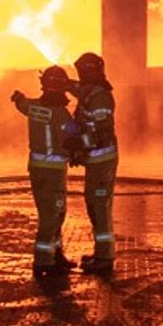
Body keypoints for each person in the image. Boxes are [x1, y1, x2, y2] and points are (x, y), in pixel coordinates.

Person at [13, 67, 79, 277]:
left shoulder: (33, 107)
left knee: (54, 213)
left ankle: (56, 254)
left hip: (37, 170)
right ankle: (43, 261)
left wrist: (18, 97)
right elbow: (73, 139)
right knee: (53, 216)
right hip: (54, 173)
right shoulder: (61, 114)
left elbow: (22, 104)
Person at [70, 52, 118, 274]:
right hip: (95, 162)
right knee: (93, 205)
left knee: (99, 208)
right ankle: (100, 253)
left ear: (89, 72)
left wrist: (79, 144)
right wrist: (63, 83)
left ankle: (104, 258)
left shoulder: (100, 98)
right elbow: (77, 88)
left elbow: (103, 135)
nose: (80, 76)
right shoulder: (89, 91)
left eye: (82, 71)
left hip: (102, 162)